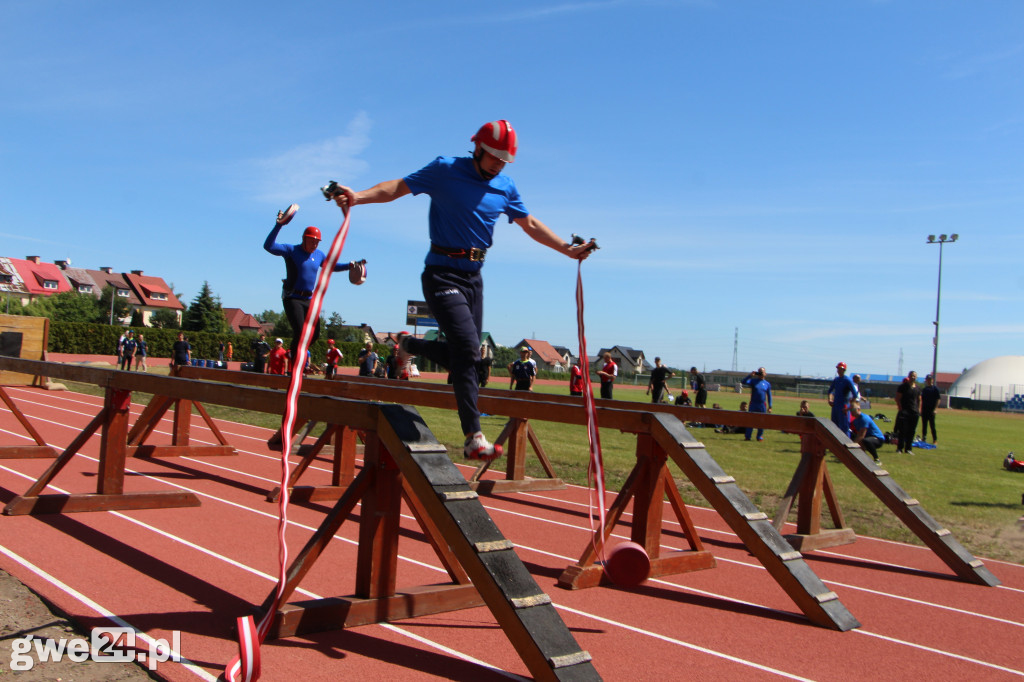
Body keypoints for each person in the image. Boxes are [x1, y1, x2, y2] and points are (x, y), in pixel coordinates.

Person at [328, 120, 593, 460]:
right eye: (494, 156)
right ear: (478, 149)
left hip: (474, 279)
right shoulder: (445, 169)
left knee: (469, 356)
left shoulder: (505, 186)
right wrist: (357, 197)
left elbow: (531, 224)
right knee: (467, 348)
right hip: (441, 273)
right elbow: (397, 187)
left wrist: (566, 249)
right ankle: (473, 436)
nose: (498, 164)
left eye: (504, 159)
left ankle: (409, 345)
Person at [264, 207, 364, 368]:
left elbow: (331, 266)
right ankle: (296, 365)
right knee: (300, 331)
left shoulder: (319, 255)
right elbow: (268, 246)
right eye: (312, 241)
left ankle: (294, 352)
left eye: (317, 242)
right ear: (304, 238)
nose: (315, 244)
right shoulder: (291, 250)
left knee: (315, 334)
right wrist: (279, 225)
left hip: (308, 299)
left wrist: (350, 265)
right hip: (292, 298)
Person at [827, 361, 858, 437]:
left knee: (844, 427)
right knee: (834, 426)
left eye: (840, 369)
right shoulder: (836, 379)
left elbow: (855, 394)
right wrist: (830, 399)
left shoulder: (847, 380)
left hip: (843, 406)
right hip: (835, 406)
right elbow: (830, 391)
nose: (838, 370)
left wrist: (851, 406)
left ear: (844, 370)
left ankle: (846, 444)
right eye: (838, 368)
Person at [741, 367, 772, 441]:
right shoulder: (753, 381)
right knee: (751, 420)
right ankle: (748, 436)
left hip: (762, 405)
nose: (761, 373)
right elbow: (743, 381)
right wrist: (750, 375)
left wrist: (770, 406)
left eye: (762, 372)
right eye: (760, 372)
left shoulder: (767, 384)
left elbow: (769, 396)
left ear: (765, 373)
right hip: (753, 404)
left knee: (761, 421)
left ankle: (759, 436)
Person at [894, 370, 921, 454]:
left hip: (914, 412)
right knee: (902, 431)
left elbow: (919, 399)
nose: (913, 377)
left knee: (912, 431)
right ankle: (899, 448)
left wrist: (918, 410)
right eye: (912, 375)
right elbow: (897, 398)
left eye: (914, 376)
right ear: (909, 376)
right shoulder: (903, 387)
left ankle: (908, 449)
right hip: (904, 411)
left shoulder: (918, 388)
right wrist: (900, 409)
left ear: (916, 377)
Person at [920, 373, 941, 445]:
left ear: (932, 380)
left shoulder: (935, 389)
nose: (929, 381)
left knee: (932, 426)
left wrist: (935, 409)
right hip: (924, 410)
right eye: (927, 380)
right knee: (924, 426)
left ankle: (935, 439)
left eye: (930, 379)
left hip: (931, 410)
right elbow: (921, 400)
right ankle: (924, 438)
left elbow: (938, 399)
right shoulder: (924, 389)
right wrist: (920, 409)